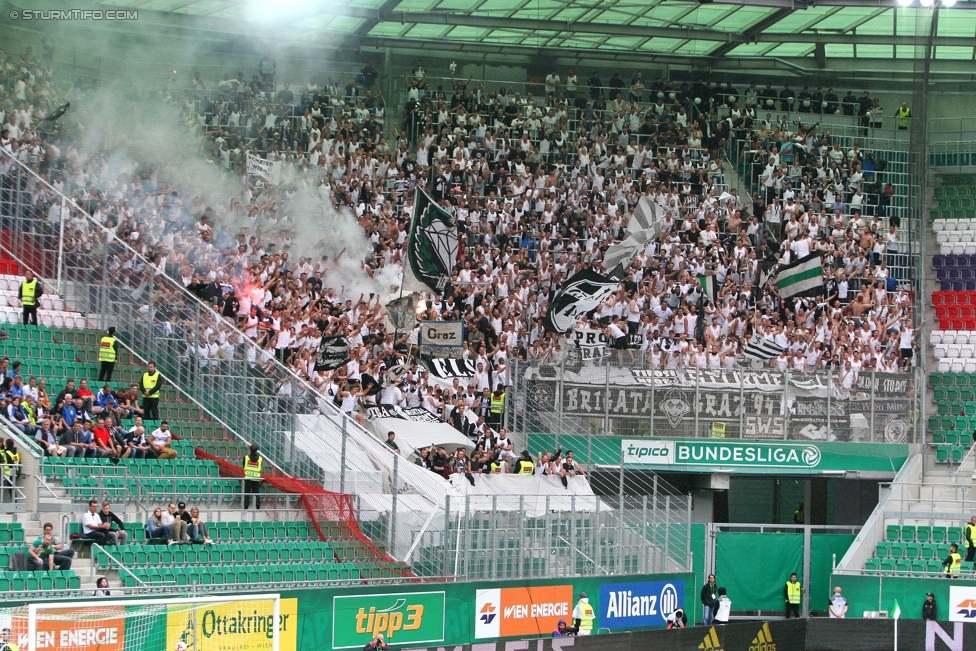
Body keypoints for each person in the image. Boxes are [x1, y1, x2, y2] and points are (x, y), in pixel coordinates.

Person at [243, 444, 263, 509]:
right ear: (257, 450)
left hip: (248, 478)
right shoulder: (260, 459)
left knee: (247, 493)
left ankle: (246, 506)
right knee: (256, 492)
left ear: (249, 449)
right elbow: (260, 467)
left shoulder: (246, 457)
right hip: (256, 478)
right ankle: (258, 506)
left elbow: (244, 466)